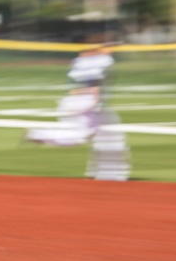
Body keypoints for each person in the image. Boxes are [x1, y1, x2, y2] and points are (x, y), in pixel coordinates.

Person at [24, 43, 131, 181]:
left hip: (75, 102)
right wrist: (95, 103)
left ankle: (105, 173)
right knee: (83, 136)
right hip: (85, 103)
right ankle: (38, 134)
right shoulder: (98, 62)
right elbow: (94, 86)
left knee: (108, 137)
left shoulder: (80, 62)